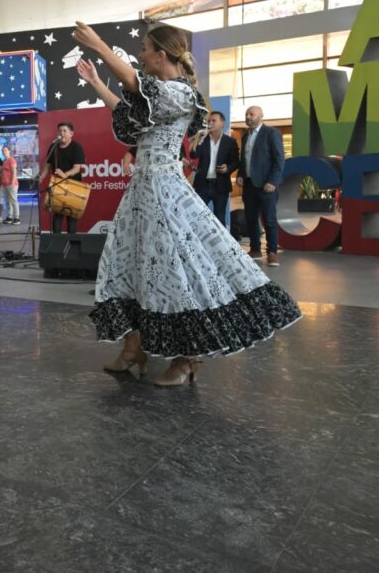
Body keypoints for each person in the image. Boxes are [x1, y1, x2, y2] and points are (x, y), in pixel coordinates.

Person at [73, 21, 300, 386]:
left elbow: (136, 85)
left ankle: (187, 357)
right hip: (142, 194)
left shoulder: (181, 93)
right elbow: (130, 110)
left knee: (174, 268)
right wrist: (98, 83)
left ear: (162, 55)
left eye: (145, 49)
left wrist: (100, 45)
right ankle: (135, 347)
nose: (142, 55)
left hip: (164, 192)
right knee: (132, 264)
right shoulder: (159, 94)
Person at [237, 105, 285, 266]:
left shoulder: (271, 133)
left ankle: (272, 252)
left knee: (269, 220)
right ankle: (255, 249)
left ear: (261, 116)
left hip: (267, 185)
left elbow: (279, 160)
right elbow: (243, 160)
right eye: (246, 114)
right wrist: (241, 175)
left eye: (252, 114)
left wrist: (273, 181)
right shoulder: (245, 137)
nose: (248, 117)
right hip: (249, 185)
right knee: (251, 219)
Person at [190, 111, 239, 226]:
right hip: (202, 185)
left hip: (221, 186)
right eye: (209, 121)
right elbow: (194, 155)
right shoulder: (203, 139)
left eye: (214, 121)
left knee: (220, 218)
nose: (210, 123)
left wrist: (227, 169)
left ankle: (220, 244)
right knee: (198, 215)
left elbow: (236, 162)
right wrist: (201, 139)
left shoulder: (230, 142)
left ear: (222, 123)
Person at [38, 122, 85, 234]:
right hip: (57, 185)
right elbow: (47, 165)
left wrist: (65, 174)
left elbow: (77, 168)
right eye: (60, 131)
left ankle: (71, 245)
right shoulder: (53, 147)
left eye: (65, 131)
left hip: (73, 186)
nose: (62, 133)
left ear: (71, 133)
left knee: (71, 219)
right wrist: (42, 176)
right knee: (57, 217)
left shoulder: (77, 147)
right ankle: (57, 244)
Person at [0, 145, 20, 224]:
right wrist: (1, 182)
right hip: (5, 184)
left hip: (11, 184)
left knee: (14, 201)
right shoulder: (4, 161)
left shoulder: (11, 160)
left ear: (9, 151)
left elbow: (14, 171)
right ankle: (9, 217)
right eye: (3, 150)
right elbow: (2, 173)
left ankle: (17, 218)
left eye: (5, 150)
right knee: (7, 201)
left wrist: (12, 182)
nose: (4, 152)